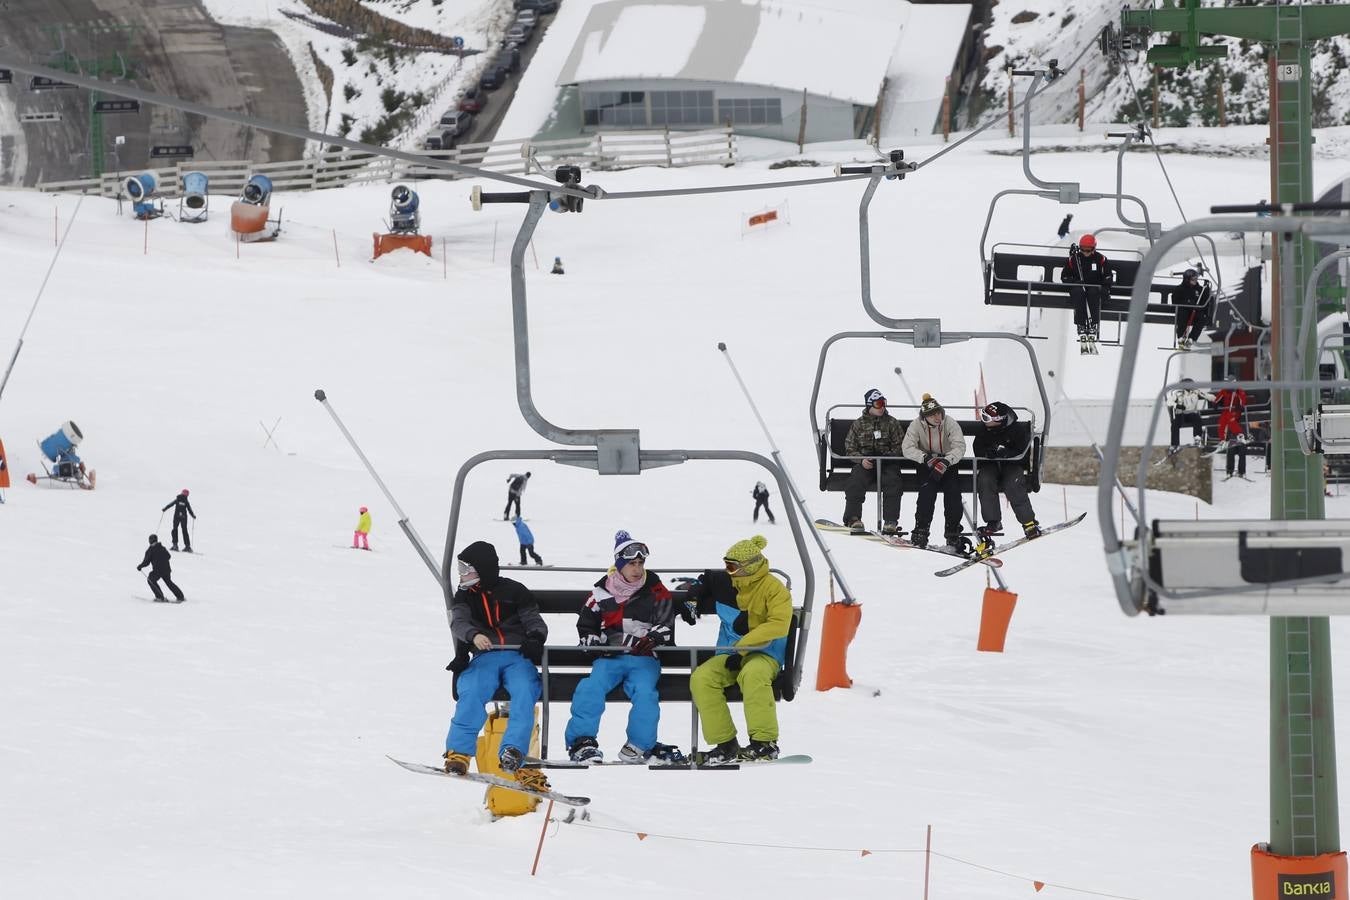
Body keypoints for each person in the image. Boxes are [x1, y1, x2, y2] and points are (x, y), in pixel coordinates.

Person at [564, 531, 686, 764]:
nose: (637, 569)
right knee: (590, 688)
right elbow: (586, 625)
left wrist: (653, 638)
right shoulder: (601, 594)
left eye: (640, 563)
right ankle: (583, 742)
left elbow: (665, 625)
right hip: (610, 658)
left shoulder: (657, 592)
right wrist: (591, 639)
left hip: (644, 659)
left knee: (646, 694)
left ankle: (639, 745)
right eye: (631, 564)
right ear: (619, 565)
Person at [442, 541, 550, 794]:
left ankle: (513, 750)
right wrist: (473, 635)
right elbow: (458, 621)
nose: (461, 574)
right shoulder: (465, 596)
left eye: (465, 568)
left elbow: (533, 618)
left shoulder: (515, 591)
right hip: (485, 656)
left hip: (516, 657)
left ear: (483, 569)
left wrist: (535, 637)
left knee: (525, 692)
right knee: (473, 690)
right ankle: (458, 752)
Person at [688, 535, 791, 766]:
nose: (728, 571)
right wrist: (692, 598)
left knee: (753, 675)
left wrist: (742, 649)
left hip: (765, 653)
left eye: (732, 567)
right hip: (730, 653)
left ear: (749, 566)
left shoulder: (775, 590)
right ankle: (725, 744)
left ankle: (764, 742)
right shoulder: (729, 582)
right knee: (702, 678)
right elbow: (705, 580)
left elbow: (778, 624)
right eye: (727, 565)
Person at [971, 402, 1041, 555]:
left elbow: (1022, 450)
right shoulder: (985, 430)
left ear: (1000, 419)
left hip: (1012, 465)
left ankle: (1028, 522)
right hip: (990, 466)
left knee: (1013, 484)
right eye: (983, 416)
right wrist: (987, 453)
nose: (984, 420)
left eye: (987, 417)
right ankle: (993, 521)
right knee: (985, 480)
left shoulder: (1016, 430)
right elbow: (977, 447)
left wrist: (1005, 453)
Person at [902, 393, 968, 552]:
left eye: (938, 412)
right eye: (932, 415)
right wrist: (925, 458)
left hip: (948, 463)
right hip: (927, 464)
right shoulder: (916, 425)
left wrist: (947, 460)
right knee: (926, 492)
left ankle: (953, 532)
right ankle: (921, 530)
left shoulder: (950, 423)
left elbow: (959, 446)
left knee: (953, 493)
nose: (937, 417)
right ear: (925, 417)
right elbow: (907, 448)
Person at [841, 388, 906, 534]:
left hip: (886, 462)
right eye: (878, 404)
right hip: (866, 462)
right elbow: (850, 448)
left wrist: (888, 457)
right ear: (869, 406)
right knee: (855, 482)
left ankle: (890, 521)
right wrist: (861, 459)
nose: (882, 407)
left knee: (893, 482)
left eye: (884, 403)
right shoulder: (859, 424)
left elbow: (900, 446)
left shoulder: (892, 423)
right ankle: (853, 517)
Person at [1060, 234, 1113, 349]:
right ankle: (1081, 323)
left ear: (1094, 248)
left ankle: (1093, 322)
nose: (1085, 252)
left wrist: (1104, 286)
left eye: (1088, 250)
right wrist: (1075, 282)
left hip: (1095, 288)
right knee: (1079, 293)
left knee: (1093, 293)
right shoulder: (1074, 259)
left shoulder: (1100, 259)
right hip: (1079, 288)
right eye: (1083, 249)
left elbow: (1108, 276)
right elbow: (1064, 277)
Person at [1166, 379, 1215, 452]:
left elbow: (1206, 396)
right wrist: (1177, 405)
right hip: (1181, 414)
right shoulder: (1178, 393)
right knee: (1175, 423)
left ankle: (1197, 438)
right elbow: (1169, 401)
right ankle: (1175, 444)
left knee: (1197, 417)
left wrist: (1215, 399)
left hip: (1191, 414)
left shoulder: (1195, 392)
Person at [137, 534, 185, 602]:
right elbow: (169, 556)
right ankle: (180, 596)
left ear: (150, 541)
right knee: (169, 582)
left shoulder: (150, 550)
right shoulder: (162, 547)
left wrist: (140, 566)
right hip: (166, 569)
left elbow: (146, 562)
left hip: (158, 570)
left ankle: (159, 597)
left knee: (151, 580)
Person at [1172, 269, 1212, 349]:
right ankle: (1181, 338)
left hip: (1196, 311)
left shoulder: (1200, 290)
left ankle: (1191, 339)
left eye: (1196, 279)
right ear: (1187, 279)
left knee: (1201, 319)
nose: (1195, 281)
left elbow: (1205, 302)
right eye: (1193, 279)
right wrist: (1187, 303)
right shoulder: (1179, 289)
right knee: (1182, 317)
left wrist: (1206, 292)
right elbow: (1175, 301)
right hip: (1184, 311)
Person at [1213, 375, 1248, 447]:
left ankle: (1240, 435)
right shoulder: (1224, 391)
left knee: (1229, 418)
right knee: (1222, 422)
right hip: (1226, 411)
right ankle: (1222, 440)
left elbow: (1242, 399)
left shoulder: (1239, 391)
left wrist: (1241, 405)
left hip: (1235, 411)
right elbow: (1218, 398)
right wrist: (1215, 403)